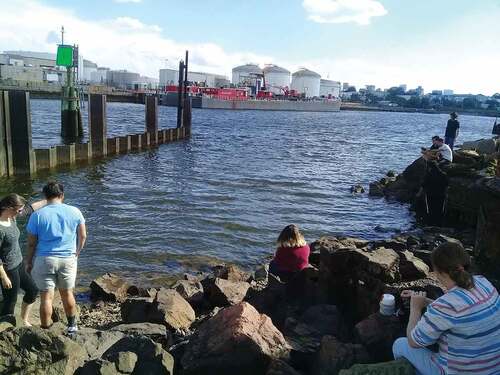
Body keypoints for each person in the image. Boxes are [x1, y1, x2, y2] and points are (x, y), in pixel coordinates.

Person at [393, 242, 500, 375]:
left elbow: (413, 341)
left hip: (460, 372)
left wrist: (415, 308)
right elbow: (463, 312)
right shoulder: (484, 282)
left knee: (400, 344)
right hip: (494, 368)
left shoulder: (445, 306)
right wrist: (426, 302)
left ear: (439, 272)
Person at [26, 182, 86, 334]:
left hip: (44, 259)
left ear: (45, 197)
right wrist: (77, 252)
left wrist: (28, 262)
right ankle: (72, 326)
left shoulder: (37, 215)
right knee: (67, 293)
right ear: (62, 195)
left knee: (46, 297)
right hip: (68, 258)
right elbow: (83, 235)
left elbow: (32, 244)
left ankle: (46, 330)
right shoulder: (75, 211)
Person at [0, 194, 46, 325]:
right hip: (7, 269)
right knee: (11, 300)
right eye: (19, 209)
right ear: (9, 207)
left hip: (18, 263)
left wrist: (48, 201)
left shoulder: (11, 217)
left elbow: (29, 209)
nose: (21, 212)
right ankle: (5, 331)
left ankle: (24, 320)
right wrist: (3, 277)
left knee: (32, 291)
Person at [421, 161, 448, 226]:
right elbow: (447, 185)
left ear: (430, 167)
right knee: (440, 209)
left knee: (431, 209)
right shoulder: (443, 174)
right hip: (441, 195)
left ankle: (430, 224)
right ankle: (439, 224)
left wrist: (419, 194)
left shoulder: (429, 174)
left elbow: (423, 185)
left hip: (430, 194)